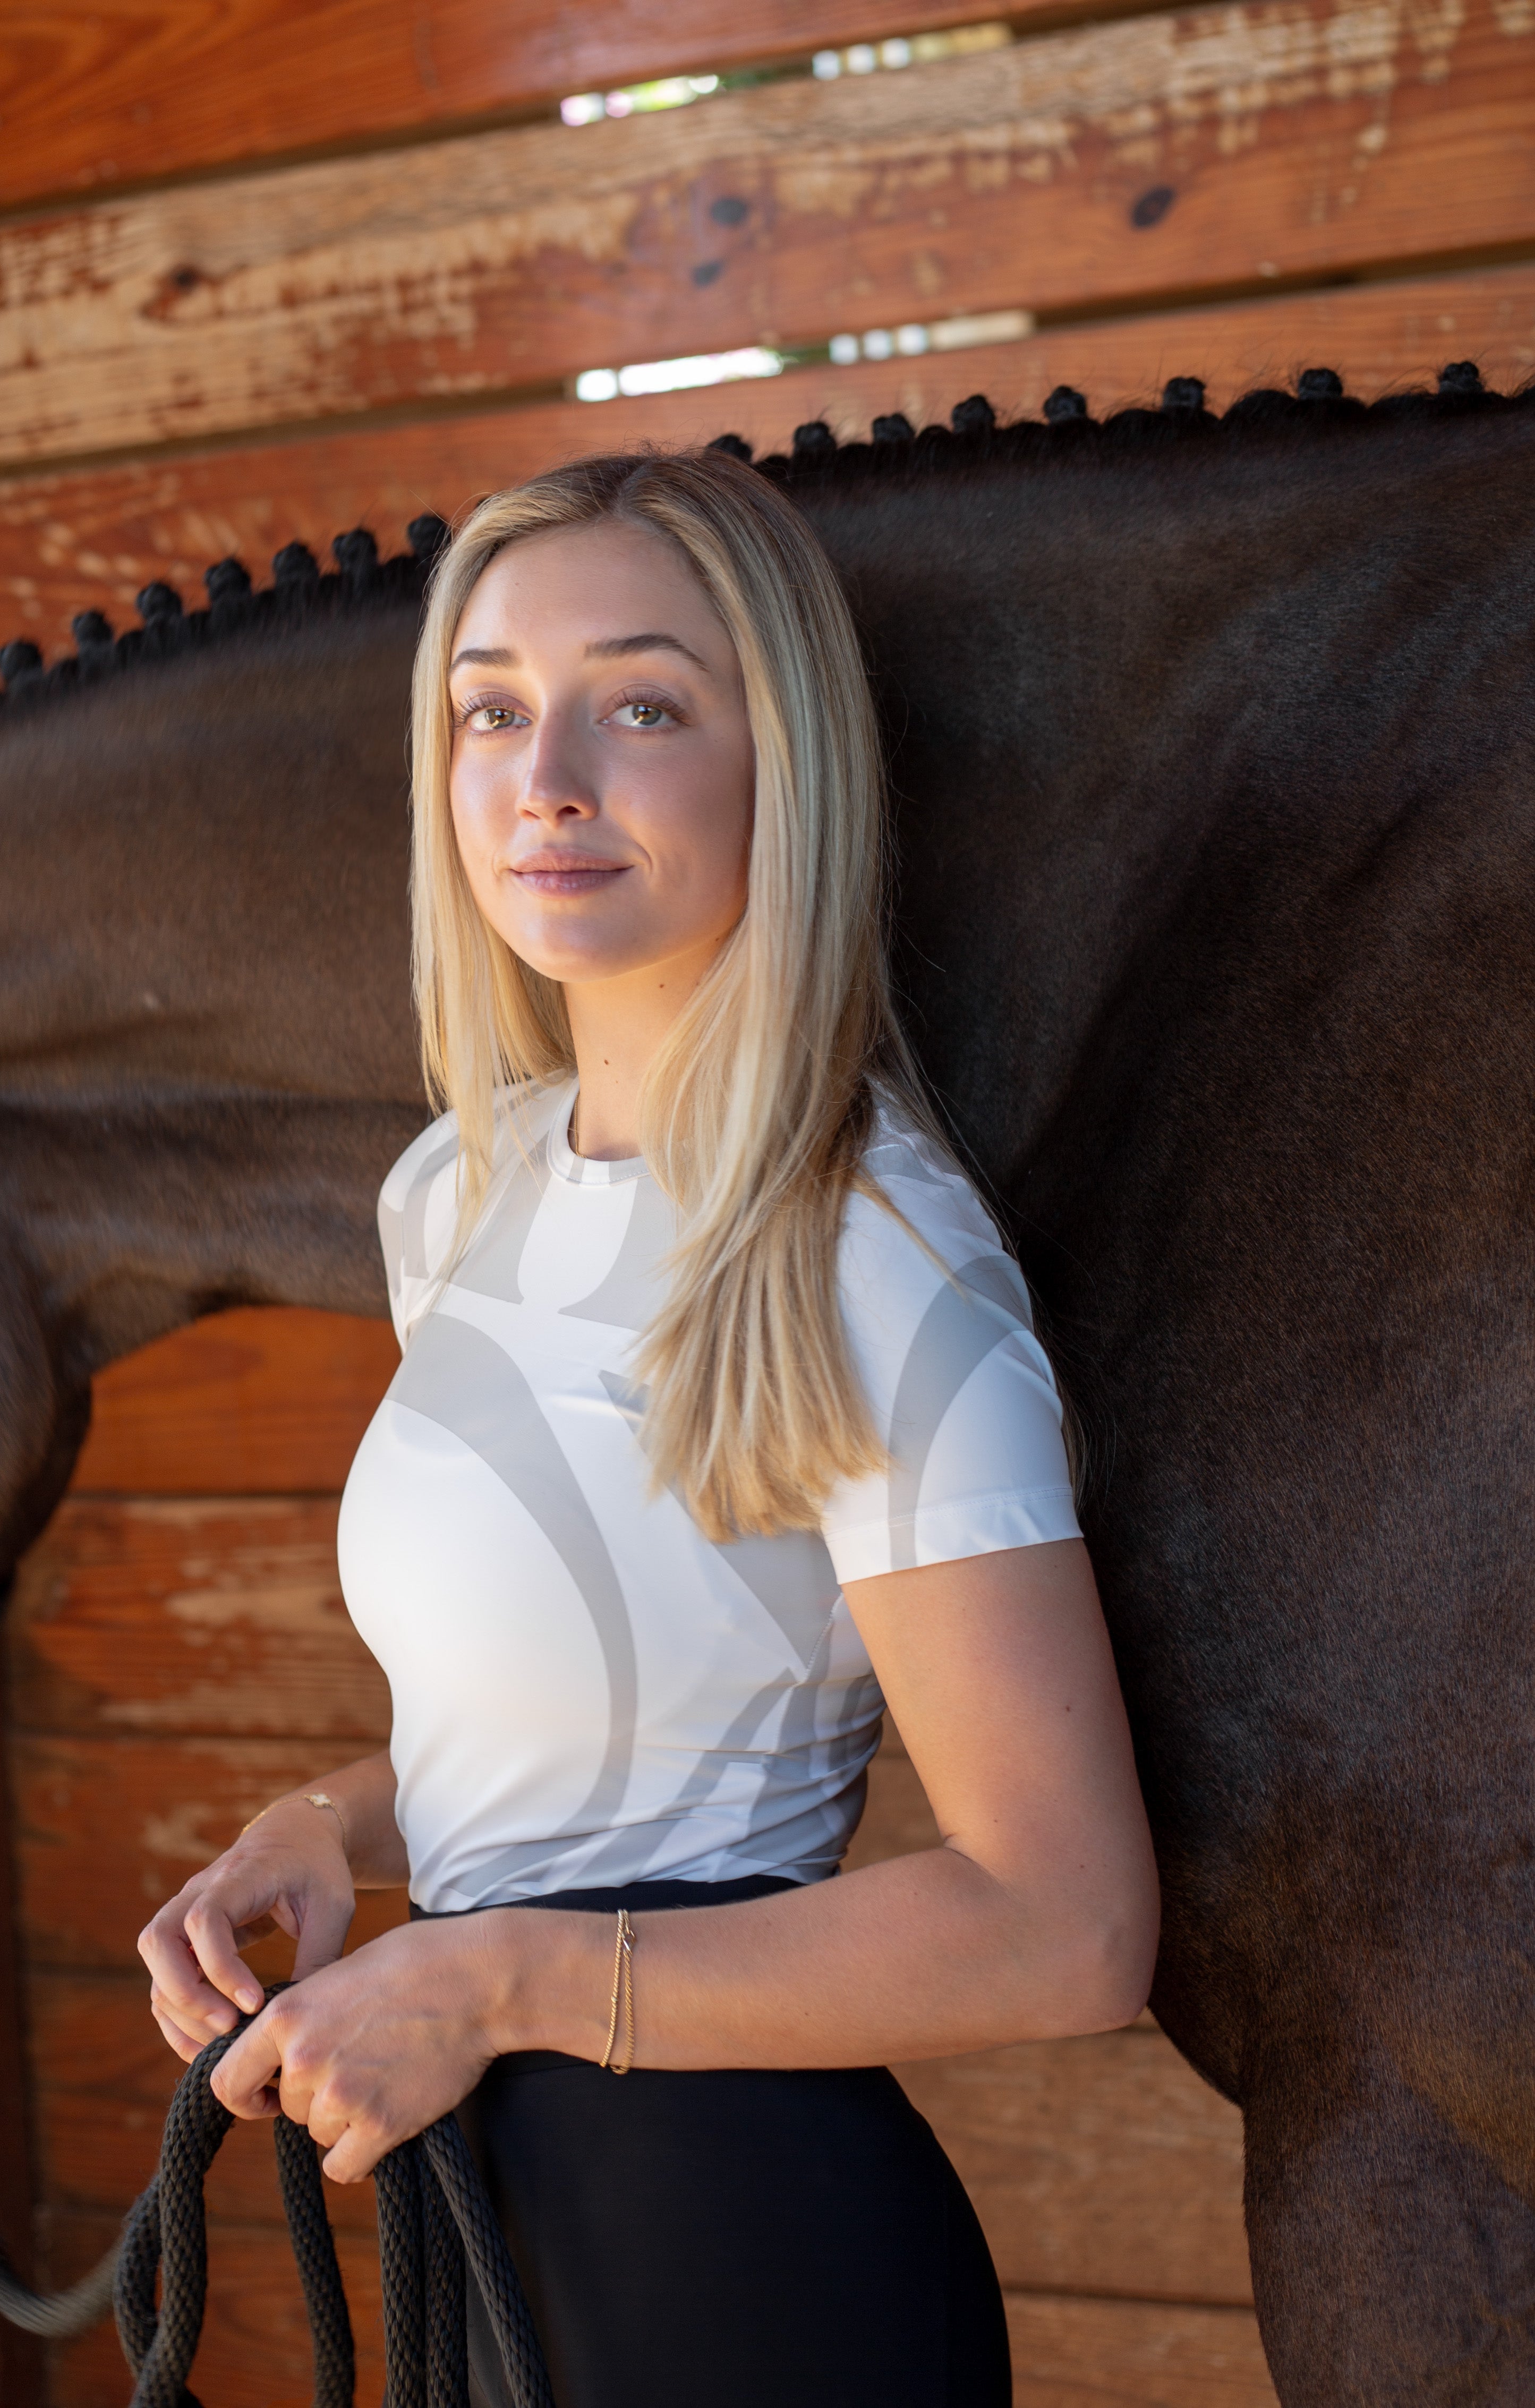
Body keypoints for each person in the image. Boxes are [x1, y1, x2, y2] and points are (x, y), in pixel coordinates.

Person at [139, 447, 1159, 2405]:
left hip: (749, 2262)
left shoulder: (867, 1251)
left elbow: (1065, 1923)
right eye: (491, 711)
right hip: (494, 2226)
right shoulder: (457, 1193)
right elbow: (614, 1727)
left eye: (644, 707)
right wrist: (329, 1830)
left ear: (785, 764)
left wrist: (496, 1976)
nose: (546, 780)